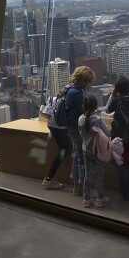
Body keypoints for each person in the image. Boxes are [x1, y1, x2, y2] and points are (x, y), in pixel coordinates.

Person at [44, 66, 94, 194]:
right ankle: (49, 179)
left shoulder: (70, 87)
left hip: (55, 122)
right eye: (86, 81)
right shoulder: (77, 93)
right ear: (81, 79)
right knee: (64, 151)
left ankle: (57, 180)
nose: (88, 84)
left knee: (68, 151)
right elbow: (84, 111)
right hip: (59, 125)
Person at [107, 76, 129, 201]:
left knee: (122, 168)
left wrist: (113, 95)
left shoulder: (116, 101)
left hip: (119, 140)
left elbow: (107, 109)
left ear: (117, 89)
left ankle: (126, 195)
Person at [78, 94, 111, 208]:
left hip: (85, 149)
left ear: (84, 106)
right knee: (99, 174)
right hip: (97, 150)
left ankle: (86, 200)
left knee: (87, 173)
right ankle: (100, 198)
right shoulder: (97, 119)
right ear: (96, 106)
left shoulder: (80, 119)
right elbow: (106, 133)